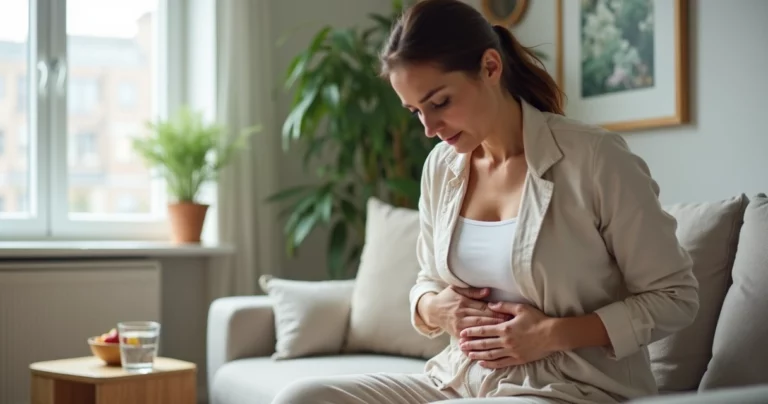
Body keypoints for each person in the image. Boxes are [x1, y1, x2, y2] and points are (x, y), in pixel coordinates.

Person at [272, 0, 699, 403]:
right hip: (459, 379)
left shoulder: (594, 158)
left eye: (440, 102)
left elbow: (675, 297)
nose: (429, 128)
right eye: (415, 111)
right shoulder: (441, 168)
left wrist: (551, 334)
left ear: (490, 67)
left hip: (571, 387)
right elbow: (427, 279)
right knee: (304, 398)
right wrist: (435, 309)